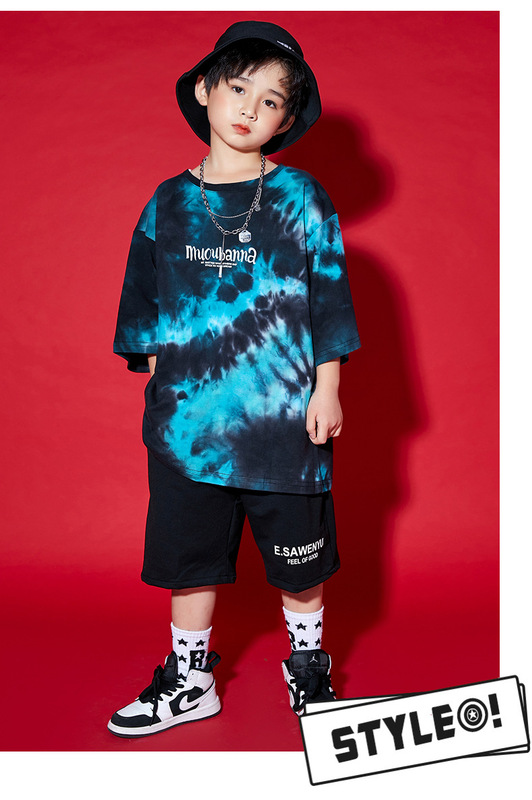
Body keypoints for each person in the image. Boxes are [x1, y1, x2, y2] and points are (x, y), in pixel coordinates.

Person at [109, 19, 360, 738]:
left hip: (283, 424)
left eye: (272, 101)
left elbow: (329, 296)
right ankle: (191, 681)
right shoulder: (167, 202)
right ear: (204, 90)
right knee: (189, 559)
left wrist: (327, 387)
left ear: (285, 121)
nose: (251, 109)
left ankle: (308, 671)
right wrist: (160, 367)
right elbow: (141, 296)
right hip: (190, 428)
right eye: (240, 88)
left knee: (299, 563)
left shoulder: (302, 198)